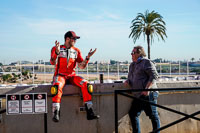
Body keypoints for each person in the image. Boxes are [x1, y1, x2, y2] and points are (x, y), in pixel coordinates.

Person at [50, 31, 99, 122]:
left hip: (72, 76)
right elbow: (52, 62)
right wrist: (56, 52)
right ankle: (55, 112)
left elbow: (81, 66)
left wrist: (87, 58)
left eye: (76, 39)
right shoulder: (56, 48)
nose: (75, 41)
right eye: (74, 39)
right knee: (57, 86)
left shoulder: (76, 51)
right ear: (67, 39)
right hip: (60, 76)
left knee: (87, 85)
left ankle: (90, 111)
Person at [124, 45, 160, 133]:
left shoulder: (146, 62)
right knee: (133, 113)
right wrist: (128, 81)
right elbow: (131, 77)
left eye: (133, 52)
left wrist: (146, 89)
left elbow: (154, 76)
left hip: (148, 94)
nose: (131, 54)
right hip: (138, 95)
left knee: (153, 115)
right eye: (131, 52)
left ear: (139, 53)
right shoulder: (132, 65)